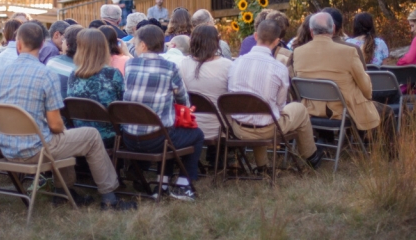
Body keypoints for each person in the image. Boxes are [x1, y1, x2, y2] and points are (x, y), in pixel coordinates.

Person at [0, 23, 134, 211]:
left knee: (61, 135)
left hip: (5, 147)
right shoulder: (45, 74)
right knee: (87, 135)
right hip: (34, 150)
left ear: (18, 45)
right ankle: (109, 197)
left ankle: (63, 191)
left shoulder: (1, 72)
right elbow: (56, 124)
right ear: (43, 45)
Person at [227, 20, 322, 172]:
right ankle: (311, 156)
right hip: (267, 129)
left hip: (238, 129)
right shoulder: (278, 68)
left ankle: (262, 166)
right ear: (278, 41)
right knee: (299, 109)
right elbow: (280, 106)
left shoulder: (235, 64)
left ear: (255, 36)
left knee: (259, 111)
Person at [123, 25, 204, 201]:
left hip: (128, 138)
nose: (134, 47)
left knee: (169, 130)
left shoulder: (129, 65)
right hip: (157, 140)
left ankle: (163, 183)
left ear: (143, 45)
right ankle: (184, 184)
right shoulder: (170, 67)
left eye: (135, 43)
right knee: (196, 135)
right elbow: (183, 100)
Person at [293, 13, 395, 152]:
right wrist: (367, 97)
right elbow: (365, 87)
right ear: (334, 29)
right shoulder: (348, 51)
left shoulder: (298, 52)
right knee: (387, 112)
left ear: (311, 31)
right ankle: (390, 153)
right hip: (342, 109)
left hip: (312, 109)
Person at [178, 26, 232, 169]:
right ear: (216, 43)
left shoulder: (183, 64)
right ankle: (222, 159)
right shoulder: (227, 66)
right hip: (220, 127)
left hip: (189, 125)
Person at [67, 29, 125, 148]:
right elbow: (122, 106)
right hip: (108, 138)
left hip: (79, 136)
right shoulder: (113, 74)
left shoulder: (73, 75)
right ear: (104, 48)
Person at [46, 24, 83, 99]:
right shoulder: (83, 68)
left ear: (68, 44)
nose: (62, 42)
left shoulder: (51, 61)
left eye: (63, 40)